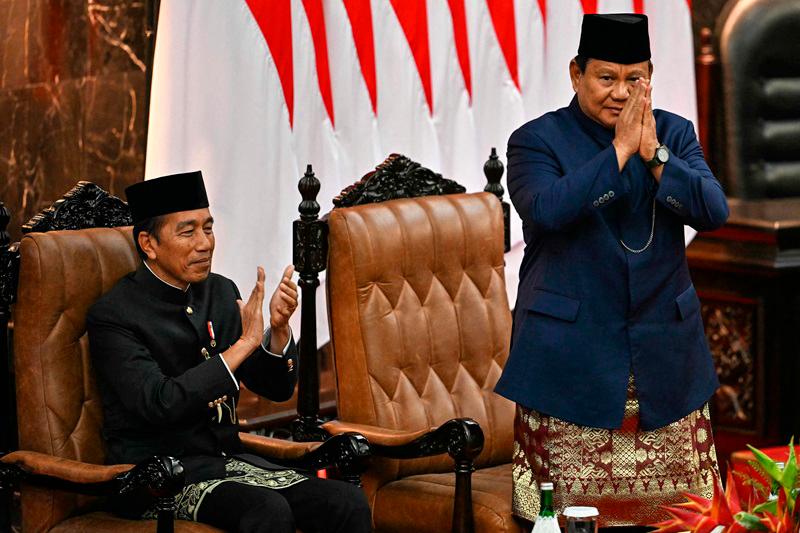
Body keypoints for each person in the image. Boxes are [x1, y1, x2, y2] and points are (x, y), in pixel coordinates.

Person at [494, 14, 729, 526]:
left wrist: (654, 154)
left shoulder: (673, 133)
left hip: (666, 361)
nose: (620, 92)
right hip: (570, 364)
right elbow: (547, 210)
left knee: (684, 519)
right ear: (576, 73)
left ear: (649, 77)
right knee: (568, 521)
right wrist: (621, 151)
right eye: (606, 78)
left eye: (634, 79)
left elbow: (713, 211)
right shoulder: (536, 140)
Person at [87, 171, 371, 533]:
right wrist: (243, 345)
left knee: (345, 501)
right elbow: (161, 402)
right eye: (187, 232)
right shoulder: (114, 315)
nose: (204, 243)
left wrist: (278, 332)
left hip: (225, 462)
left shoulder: (219, 292)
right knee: (266, 511)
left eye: (208, 228)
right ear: (149, 244)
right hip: (157, 477)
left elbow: (276, 389)